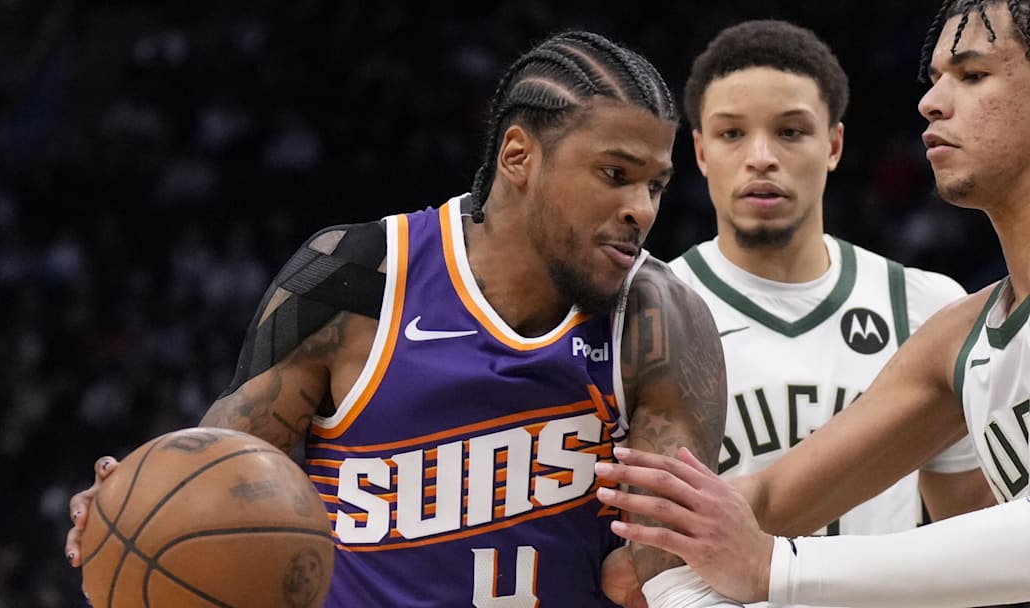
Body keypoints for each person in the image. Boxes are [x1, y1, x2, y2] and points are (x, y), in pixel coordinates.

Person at [65, 31, 734, 607]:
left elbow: (645, 577)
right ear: (519, 157)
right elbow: (224, 478)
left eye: (655, 185)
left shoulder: (659, 318)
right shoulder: (356, 278)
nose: (641, 209)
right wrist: (135, 512)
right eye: (614, 173)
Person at [595, 2, 1030, 607]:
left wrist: (781, 569)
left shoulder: (920, 301)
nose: (931, 102)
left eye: (973, 74)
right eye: (935, 79)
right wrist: (654, 562)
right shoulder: (959, 338)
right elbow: (771, 501)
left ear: (833, 144)